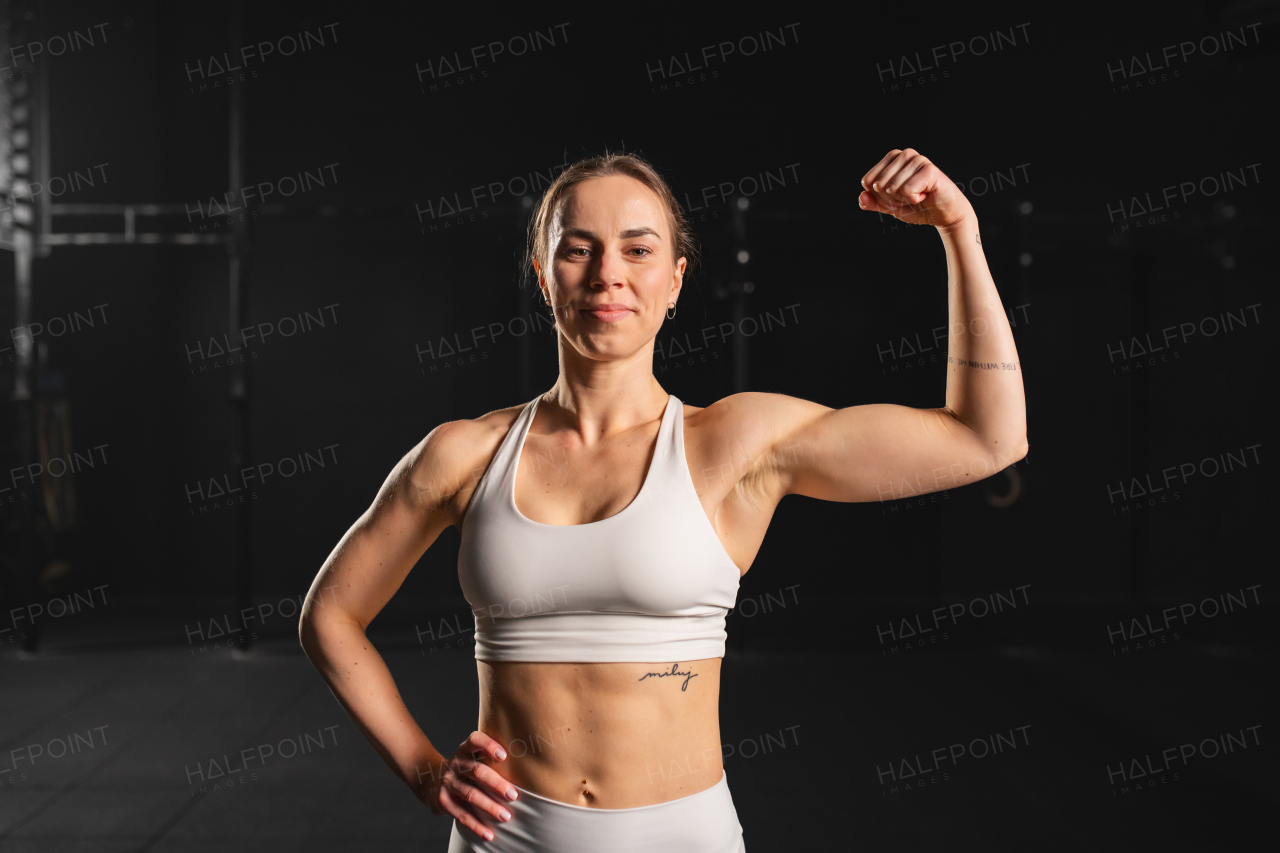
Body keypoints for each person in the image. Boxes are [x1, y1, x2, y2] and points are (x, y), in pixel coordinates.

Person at [298, 148, 1027, 851]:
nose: (608, 273)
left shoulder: (733, 443)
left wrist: (960, 232)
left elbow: (985, 439)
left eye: (638, 250)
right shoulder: (464, 453)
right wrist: (425, 771)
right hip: (505, 843)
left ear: (676, 281)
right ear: (543, 276)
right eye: (578, 249)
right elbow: (329, 614)